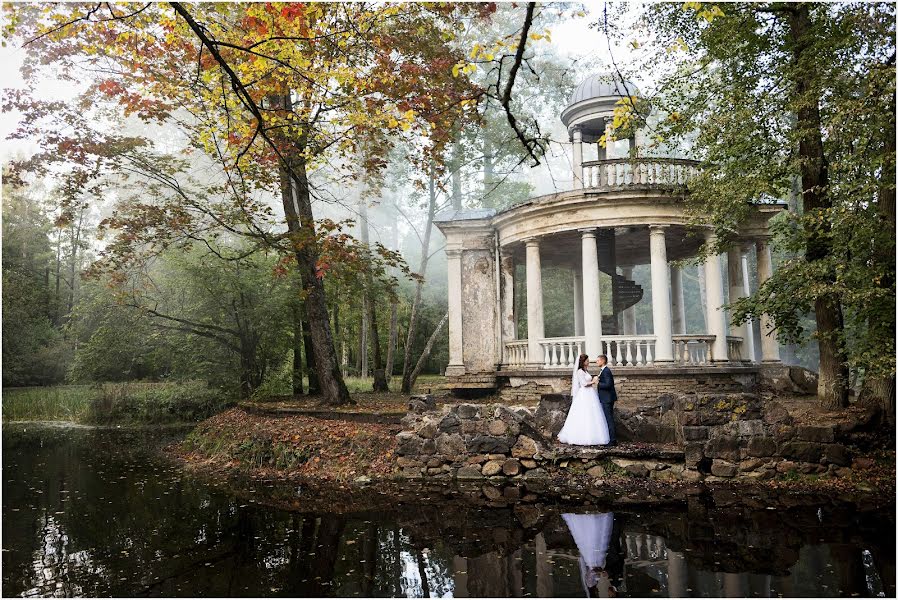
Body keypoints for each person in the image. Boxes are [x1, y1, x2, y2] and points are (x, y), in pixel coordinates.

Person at [557, 353, 610, 446]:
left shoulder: (585, 371)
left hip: (590, 394)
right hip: (584, 394)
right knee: (584, 414)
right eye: (587, 360)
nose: (588, 362)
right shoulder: (580, 372)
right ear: (583, 362)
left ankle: (595, 435)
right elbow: (584, 384)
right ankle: (581, 436)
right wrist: (593, 381)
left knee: (592, 414)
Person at [595, 354, 618, 446]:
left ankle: (612, 440)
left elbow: (608, 385)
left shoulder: (606, 371)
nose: (596, 362)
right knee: (608, 419)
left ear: (603, 361)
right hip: (605, 398)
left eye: (598, 360)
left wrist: (598, 383)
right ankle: (610, 439)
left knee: (609, 419)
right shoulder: (603, 371)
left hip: (607, 399)